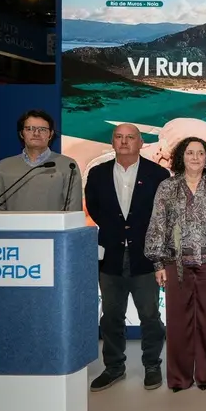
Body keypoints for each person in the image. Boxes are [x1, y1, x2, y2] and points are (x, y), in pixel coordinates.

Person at [85, 124, 170, 392]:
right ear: (112, 142)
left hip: (144, 256)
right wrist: (116, 231)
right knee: (111, 316)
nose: (124, 142)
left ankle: (152, 365)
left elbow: (162, 215)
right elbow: (94, 209)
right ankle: (114, 367)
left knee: (150, 315)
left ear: (141, 142)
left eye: (130, 137)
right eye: (119, 137)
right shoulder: (97, 173)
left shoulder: (158, 174)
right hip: (109, 255)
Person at [145, 137, 206, 392]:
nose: (195, 157)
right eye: (190, 153)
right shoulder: (167, 187)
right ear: (181, 156)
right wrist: (158, 262)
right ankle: (179, 378)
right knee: (178, 323)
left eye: (200, 153)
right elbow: (158, 224)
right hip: (175, 263)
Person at [0, 109, 82, 211]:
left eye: (42, 129)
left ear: (50, 134)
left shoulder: (68, 166)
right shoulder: (3, 167)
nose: (36, 133)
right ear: (21, 133)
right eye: (30, 129)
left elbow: (73, 211)